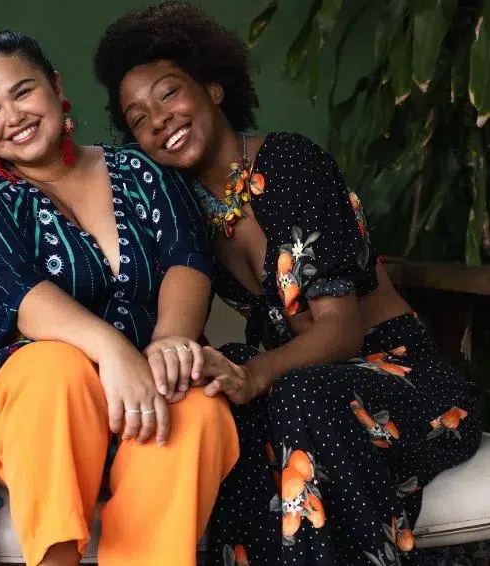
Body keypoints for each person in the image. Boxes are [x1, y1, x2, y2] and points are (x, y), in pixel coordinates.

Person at [93, 3, 483, 564]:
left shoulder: (290, 163)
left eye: (169, 94)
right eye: (137, 117)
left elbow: (341, 332)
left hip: (402, 383)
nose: (158, 120)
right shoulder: (188, 220)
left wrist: (252, 374)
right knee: (217, 396)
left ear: (214, 89)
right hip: (304, 395)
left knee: (289, 391)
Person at [0, 30, 239, 566]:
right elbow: (23, 298)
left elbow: (188, 258)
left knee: (197, 405)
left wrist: (170, 340)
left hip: (152, 381)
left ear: (55, 85)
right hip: (46, 400)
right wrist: (115, 353)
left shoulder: (141, 170)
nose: (13, 116)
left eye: (23, 92)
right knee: (53, 368)